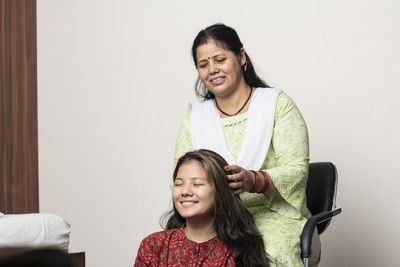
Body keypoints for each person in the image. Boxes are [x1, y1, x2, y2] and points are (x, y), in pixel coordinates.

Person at [174, 23, 320, 267]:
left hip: (271, 216)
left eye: (220, 59)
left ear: (241, 56)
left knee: (268, 254)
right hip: (214, 219)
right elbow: (178, 177)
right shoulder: (196, 117)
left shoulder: (277, 105)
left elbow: (297, 171)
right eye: (203, 65)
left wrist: (253, 180)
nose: (212, 70)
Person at [134, 149, 269, 267]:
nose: (185, 191)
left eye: (197, 184)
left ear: (219, 191)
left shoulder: (239, 253)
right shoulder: (154, 245)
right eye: (179, 184)